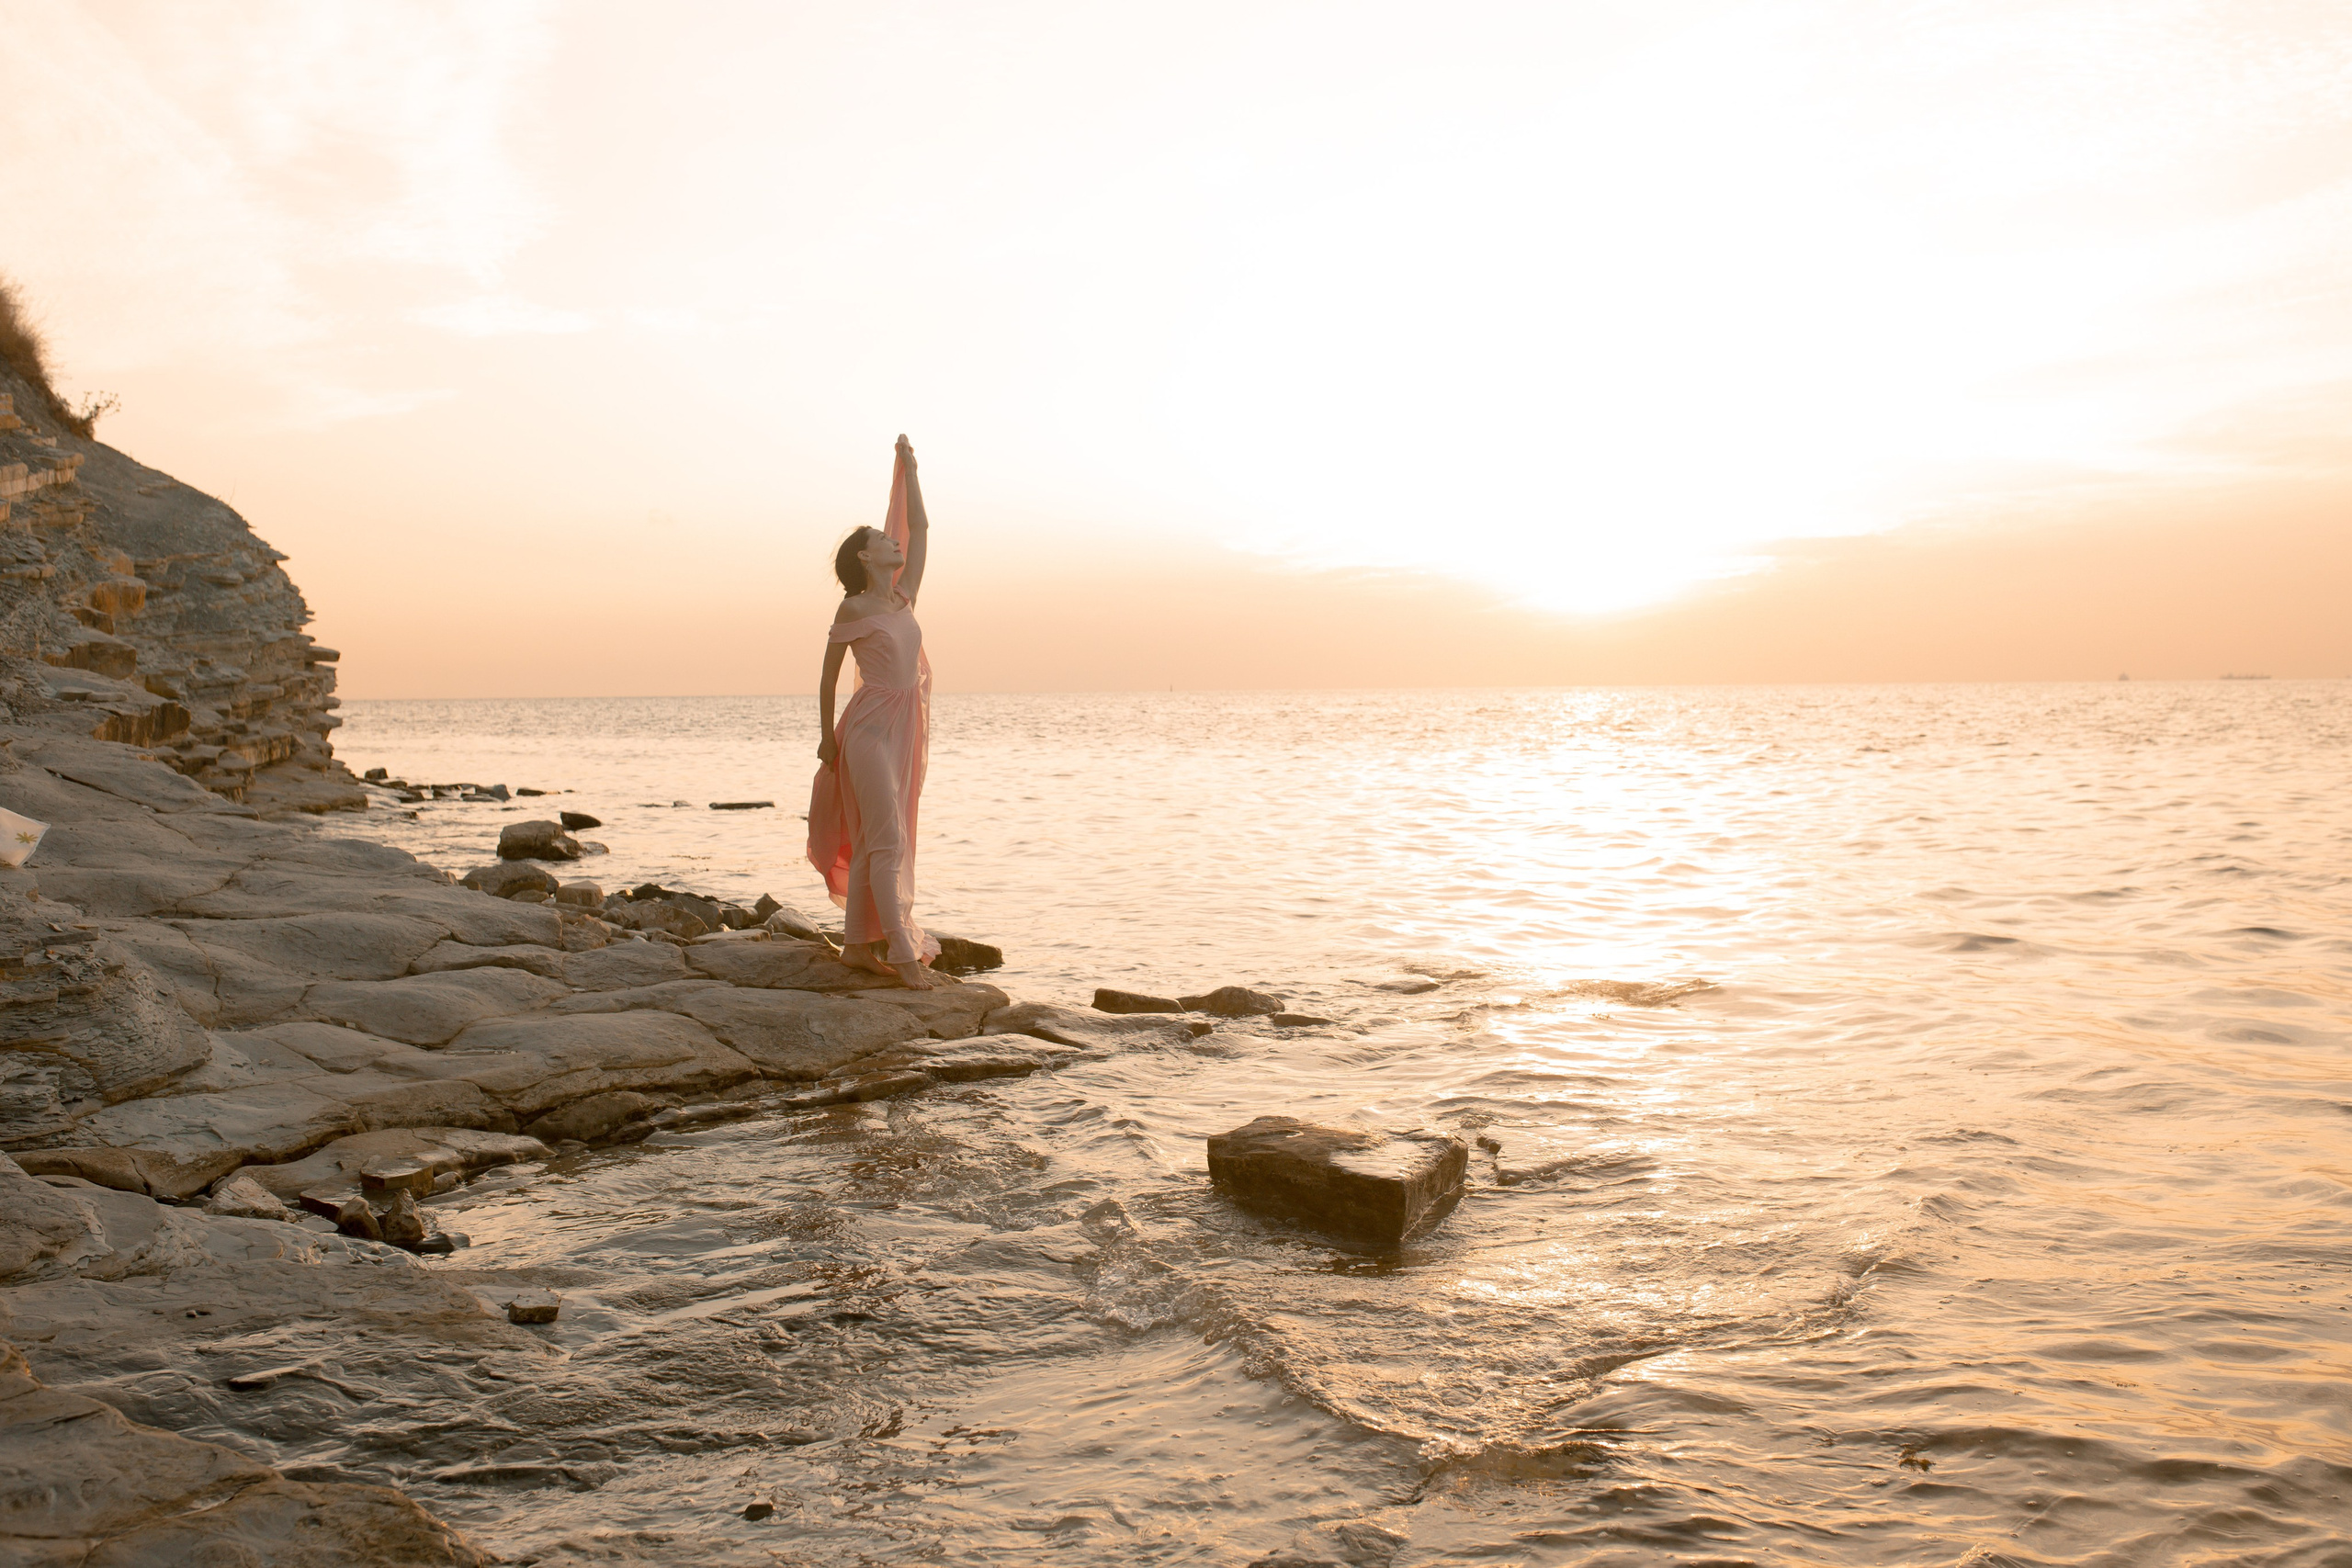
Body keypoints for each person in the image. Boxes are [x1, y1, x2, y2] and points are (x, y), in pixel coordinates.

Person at [806, 435, 940, 989]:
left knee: (880, 838)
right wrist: (825, 739)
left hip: (903, 725)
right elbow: (828, 675)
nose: (894, 539)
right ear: (864, 557)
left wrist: (909, 471)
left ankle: (857, 948)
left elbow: (923, 530)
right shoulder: (853, 606)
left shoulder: (904, 596)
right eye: (883, 538)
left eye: (891, 535)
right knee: (887, 837)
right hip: (865, 729)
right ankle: (904, 957)